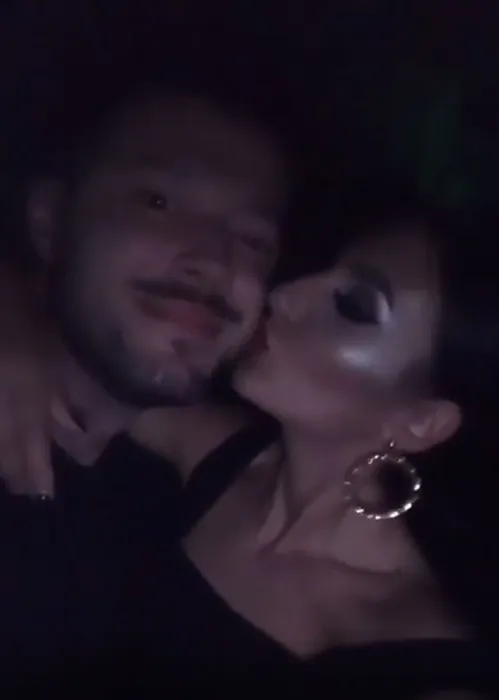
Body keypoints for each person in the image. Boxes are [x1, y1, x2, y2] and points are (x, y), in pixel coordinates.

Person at [1, 188, 498, 697]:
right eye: (319, 272)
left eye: (353, 306)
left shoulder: (417, 661)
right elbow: (66, 348)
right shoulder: (221, 454)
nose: (284, 295)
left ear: (422, 423)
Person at [0, 60, 291, 678]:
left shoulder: (209, 518)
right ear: (49, 222)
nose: (213, 260)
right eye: (159, 202)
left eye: (253, 239)